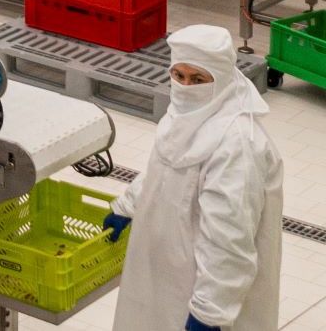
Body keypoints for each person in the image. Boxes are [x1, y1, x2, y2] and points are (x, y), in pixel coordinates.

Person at [105, 24, 282, 331]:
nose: (186, 87)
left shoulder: (237, 145)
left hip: (208, 291)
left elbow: (230, 240)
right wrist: (128, 205)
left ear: (221, 78)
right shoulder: (186, 113)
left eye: (198, 79)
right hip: (166, 269)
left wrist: (210, 311)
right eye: (179, 76)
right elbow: (162, 166)